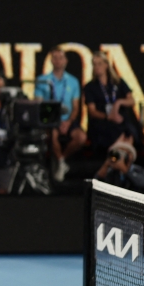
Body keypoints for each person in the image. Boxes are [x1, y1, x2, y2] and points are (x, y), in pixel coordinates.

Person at [35, 46, 86, 183]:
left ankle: (61, 160)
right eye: (55, 58)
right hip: (50, 120)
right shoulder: (42, 80)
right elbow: (38, 104)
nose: (58, 61)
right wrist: (52, 119)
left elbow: (76, 107)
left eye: (61, 58)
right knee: (53, 135)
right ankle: (61, 163)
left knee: (81, 137)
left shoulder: (73, 81)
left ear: (66, 61)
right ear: (51, 60)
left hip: (67, 120)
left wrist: (68, 122)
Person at [84, 51, 139, 153]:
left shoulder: (118, 82)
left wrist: (118, 103)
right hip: (103, 121)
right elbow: (92, 111)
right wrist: (108, 117)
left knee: (129, 131)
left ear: (106, 65)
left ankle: (121, 155)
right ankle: (117, 155)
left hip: (120, 119)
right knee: (116, 133)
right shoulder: (90, 87)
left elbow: (131, 101)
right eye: (94, 64)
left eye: (100, 64)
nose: (97, 67)